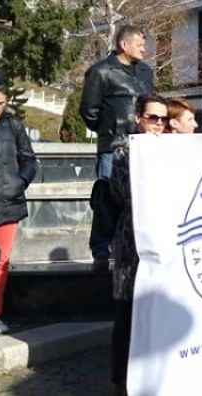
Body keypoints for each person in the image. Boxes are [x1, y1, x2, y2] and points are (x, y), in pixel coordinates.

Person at [79, 25, 154, 264]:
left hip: (142, 146)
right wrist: (108, 128)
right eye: (140, 45)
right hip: (113, 146)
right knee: (106, 200)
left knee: (139, 201)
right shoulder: (100, 72)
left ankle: (134, 251)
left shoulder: (145, 72)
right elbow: (88, 110)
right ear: (124, 45)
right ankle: (101, 251)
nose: (144, 49)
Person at [109, 94, 168, 394]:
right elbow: (124, 193)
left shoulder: (169, 150)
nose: (158, 124)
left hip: (161, 240)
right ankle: (120, 379)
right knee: (128, 312)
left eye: (163, 119)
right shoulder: (122, 151)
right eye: (152, 118)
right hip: (131, 241)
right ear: (138, 118)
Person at [0, 75, 37, 335]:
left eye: (0, 103)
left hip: (8, 202)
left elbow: (29, 160)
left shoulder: (13, 125)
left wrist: (20, 181)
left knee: (0, 261)